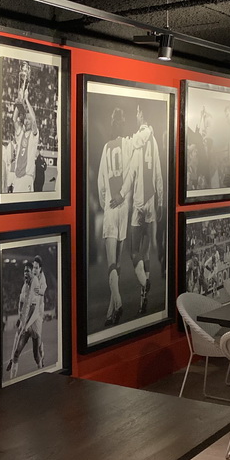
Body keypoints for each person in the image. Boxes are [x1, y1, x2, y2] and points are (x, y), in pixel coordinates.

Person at [124, 106, 163, 316]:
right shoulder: (155, 142)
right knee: (146, 253)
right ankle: (143, 300)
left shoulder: (141, 137)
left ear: (141, 113)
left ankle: (145, 283)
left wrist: (122, 194)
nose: (136, 115)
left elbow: (132, 171)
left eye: (137, 112)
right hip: (152, 201)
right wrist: (161, 202)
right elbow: (158, 173)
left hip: (139, 202)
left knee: (133, 252)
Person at [96, 106, 130, 327]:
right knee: (117, 263)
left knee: (111, 263)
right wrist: (123, 196)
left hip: (111, 208)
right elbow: (132, 175)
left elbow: (100, 185)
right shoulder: (128, 145)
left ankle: (117, 303)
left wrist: (107, 202)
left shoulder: (106, 148)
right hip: (124, 208)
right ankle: (111, 314)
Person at [5, 256, 47, 379]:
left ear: (39, 269)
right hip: (26, 320)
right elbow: (22, 303)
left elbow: (34, 306)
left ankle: (41, 364)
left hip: (36, 318)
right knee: (17, 344)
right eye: (30, 268)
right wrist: (21, 318)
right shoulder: (25, 286)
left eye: (34, 268)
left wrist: (26, 324)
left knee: (36, 352)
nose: (33, 270)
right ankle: (13, 370)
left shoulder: (39, 282)